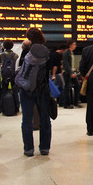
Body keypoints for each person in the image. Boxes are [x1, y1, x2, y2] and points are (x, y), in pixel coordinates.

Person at [18, 27, 52, 156]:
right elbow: (47, 72)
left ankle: (28, 149)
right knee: (44, 118)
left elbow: (21, 68)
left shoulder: (27, 51)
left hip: (26, 89)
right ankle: (44, 148)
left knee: (27, 119)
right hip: (42, 89)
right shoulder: (46, 51)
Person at [0, 40, 19, 113]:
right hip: (13, 75)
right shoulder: (16, 55)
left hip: (4, 75)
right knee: (14, 91)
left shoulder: (1, 55)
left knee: (3, 91)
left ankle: (1, 108)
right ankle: (16, 108)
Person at [63, 40, 81, 109]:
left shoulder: (71, 53)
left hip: (71, 72)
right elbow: (66, 64)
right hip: (67, 73)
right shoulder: (66, 53)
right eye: (74, 44)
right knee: (67, 88)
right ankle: (66, 104)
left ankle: (76, 102)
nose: (75, 46)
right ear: (70, 45)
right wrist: (70, 73)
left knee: (77, 86)